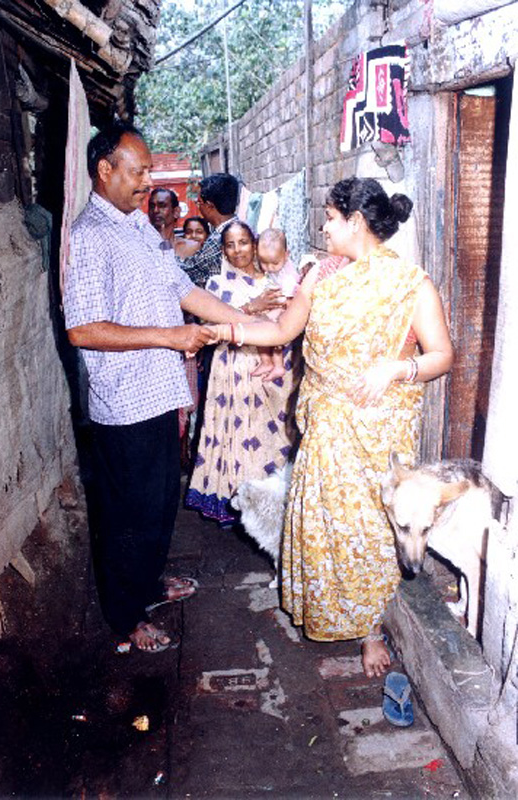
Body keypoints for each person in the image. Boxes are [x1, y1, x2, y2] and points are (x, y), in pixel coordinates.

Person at [208, 178, 454, 677]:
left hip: (378, 430)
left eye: (331, 218)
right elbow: (282, 329)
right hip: (325, 426)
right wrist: (227, 330)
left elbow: (442, 355)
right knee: (327, 524)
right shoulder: (320, 275)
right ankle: (331, 611)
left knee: (369, 529)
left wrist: (396, 369)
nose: (323, 227)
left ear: (356, 222)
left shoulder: (411, 284)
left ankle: (371, 630)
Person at [62, 120, 252, 654]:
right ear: (105, 170)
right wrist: (171, 336)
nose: (148, 181)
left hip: (160, 393)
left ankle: (147, 583)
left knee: (160, 501)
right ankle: (125, 617)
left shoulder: (137, 226)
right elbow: (83, 330)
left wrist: (246, 322)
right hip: (125, 404)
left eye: (149, 171)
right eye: (140, 171)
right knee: (127, 515)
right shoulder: (90, 235)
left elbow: (182, 288)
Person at [185, 220, 299, 525]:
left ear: (255, 243)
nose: (238, 251)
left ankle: (274, 507)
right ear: (223, 251)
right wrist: (251, 307)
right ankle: (239, 504)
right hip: (234, 370)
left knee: (273, 437)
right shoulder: (215, 285)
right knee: (241, 435)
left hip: (277, 371)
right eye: (230, 245)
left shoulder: (275, 277)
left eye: (244, 242)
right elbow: (210, 328)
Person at [252, 228, 300, 382]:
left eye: (274, 263)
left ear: (286, 255)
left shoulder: (288, 277)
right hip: (275, 305)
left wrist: (275, 311)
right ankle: (266, 362)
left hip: (285, 310)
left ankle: (278, 366)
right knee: (258, 325)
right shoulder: (275, 268)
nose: (269, 267)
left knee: (269, 330)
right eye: (264, 262)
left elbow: (290, 302)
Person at [180, 173, 239, 288]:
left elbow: (188, 269)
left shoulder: (219, 239)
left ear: (209, 206)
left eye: (199, 203)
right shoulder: (241, 227)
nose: (198, 207)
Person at [148, 187, 200, 259]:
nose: (155, 210)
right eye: (152, 206)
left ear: (176, 212)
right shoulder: (141, 246)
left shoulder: (191, 247)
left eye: (162, 206)